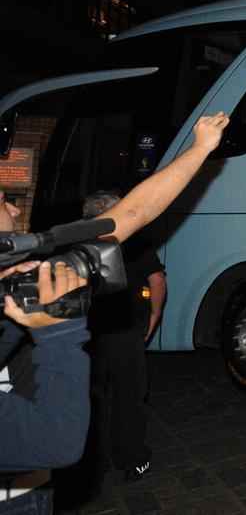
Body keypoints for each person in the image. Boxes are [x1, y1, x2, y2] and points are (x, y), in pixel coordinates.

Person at [0, 112, 229, 513]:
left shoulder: (24, 274)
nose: (15, 209)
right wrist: (59, 333)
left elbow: (132, 215)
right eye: (3, 201)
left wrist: (200, 149)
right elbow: (58, 441)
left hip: (32, 493)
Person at [77, 190, 167, 484]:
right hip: (125, 331)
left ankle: (93, 462)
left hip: (86, 333)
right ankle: (132, 460)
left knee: (92, 397)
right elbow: (156, 279)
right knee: (129, 396)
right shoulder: (133, 241)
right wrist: (154, 315)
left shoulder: (75, 242)